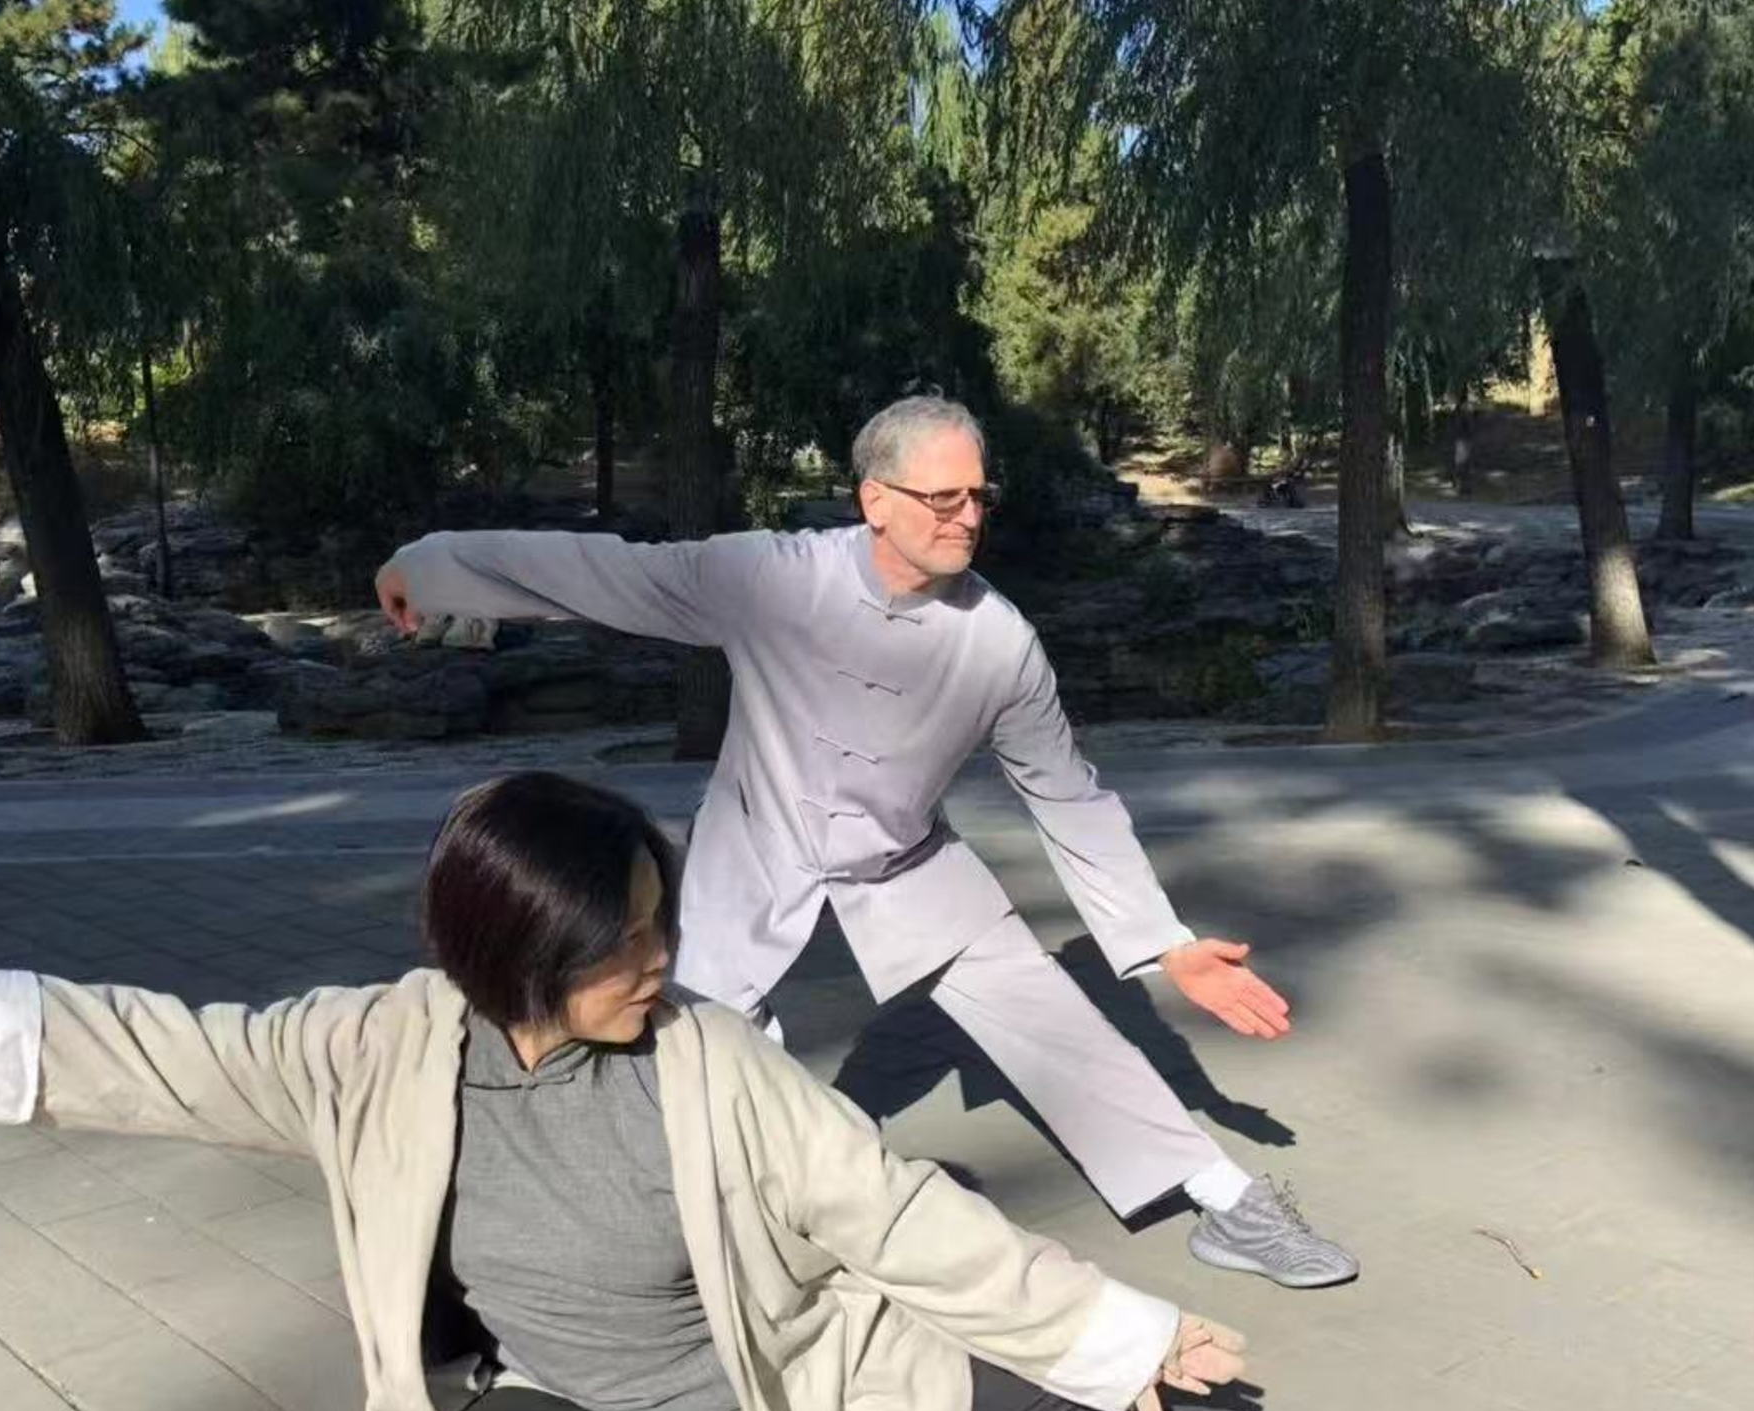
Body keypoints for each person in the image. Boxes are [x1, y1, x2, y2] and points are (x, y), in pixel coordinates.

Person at [0, 773, 1558, 1411]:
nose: (661, 969)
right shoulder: (372, 1051)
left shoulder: (709, 1061)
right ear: (509, 956)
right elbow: (151, 1045)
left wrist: (1121, 1325)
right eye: (626, 948)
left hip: (819, 1379)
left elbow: (898, 1218)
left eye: (665, 935)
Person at [373, 396, 1355, 1290]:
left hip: (911, 865)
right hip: (754, 848)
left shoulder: (1000, 642)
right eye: (940, 497)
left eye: (979, 496)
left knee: (1058, 1022)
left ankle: (1224, 1201)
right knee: (685, 1033)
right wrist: (427, 566)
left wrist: (1163, 941)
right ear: (873, 499)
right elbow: (605, 573)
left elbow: (1069, 794)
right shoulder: (769, 578)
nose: (965, 517)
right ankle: (679, 1213)